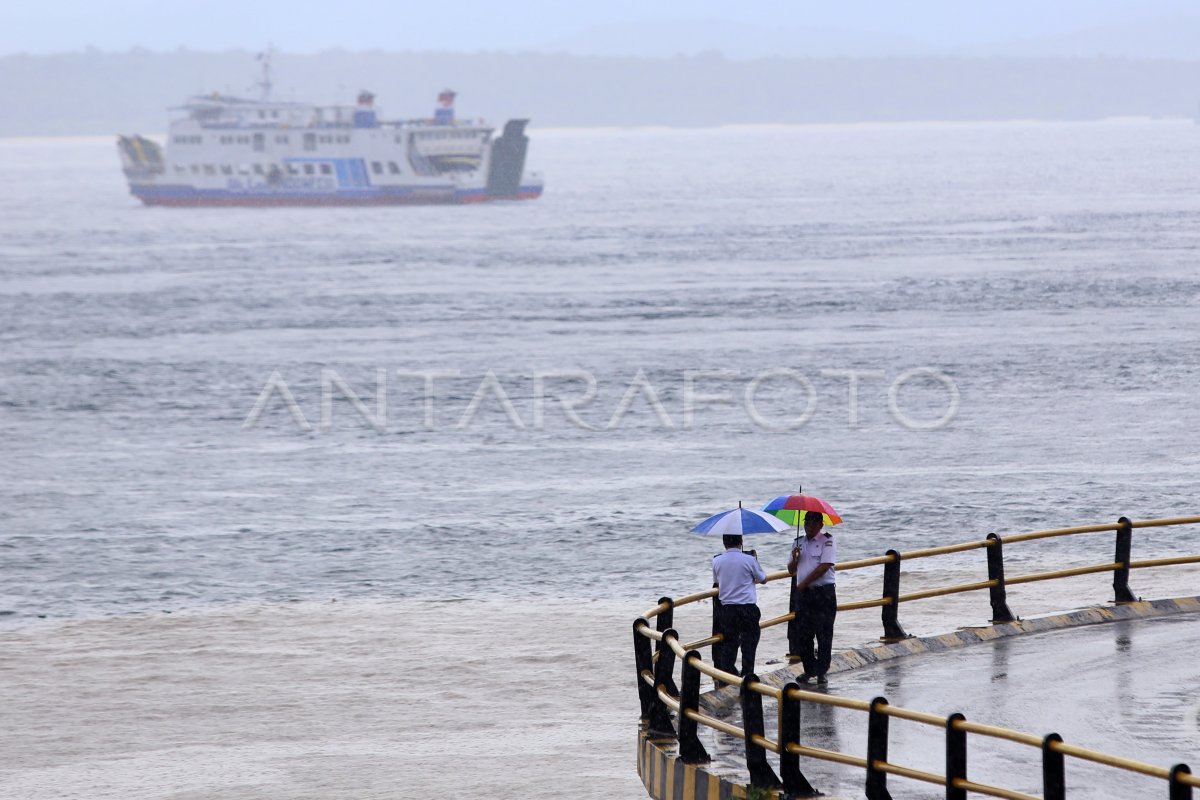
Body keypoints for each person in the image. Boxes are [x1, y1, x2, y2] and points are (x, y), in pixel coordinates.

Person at [787, 511, 837, 685]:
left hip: (823, 593)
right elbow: (791, 570)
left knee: (824, 633)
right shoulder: (798, 542)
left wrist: (803, 583)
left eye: (814, 523)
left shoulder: (827, 541)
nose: (809, 525)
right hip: (804, 596)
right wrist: (795, 558)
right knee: (802, 634)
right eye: (807, 522)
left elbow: (824, 567)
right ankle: (809, 669)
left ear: (821, 525)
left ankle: (822, 671)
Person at [711, 533, 768, 684]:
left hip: (728, 610)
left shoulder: (717, 561)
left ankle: (727, 677)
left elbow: (717, 581)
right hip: (748, 608)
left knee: (729, 644)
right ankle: (748, 677)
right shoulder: (749, 559)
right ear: (741, 541)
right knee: (749, 643)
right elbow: (763, 579)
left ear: (724, 543)